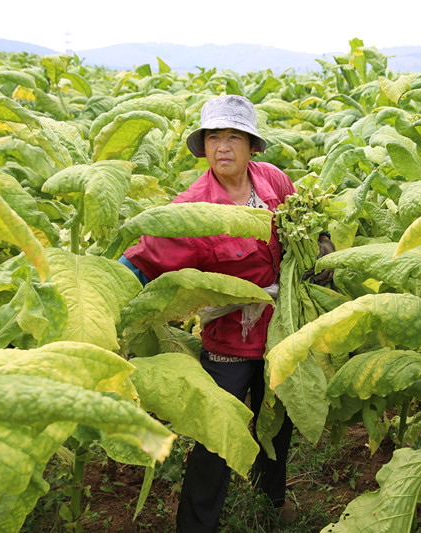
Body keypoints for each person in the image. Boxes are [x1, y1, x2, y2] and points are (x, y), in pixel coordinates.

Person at [118, 94, 300, 532]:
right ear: (203, 146)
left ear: (251, 145)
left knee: (278, 421)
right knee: (215, 432)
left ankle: (270, 501)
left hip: (281, 330)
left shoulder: (272, 180)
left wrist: (324, 241)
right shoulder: (192, 207)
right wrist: (106, 291)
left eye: (233, 136)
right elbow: (144, 259)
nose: (222, 147)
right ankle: (197, 525)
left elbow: (302, 217)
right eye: (213, 137)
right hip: (230, 336)